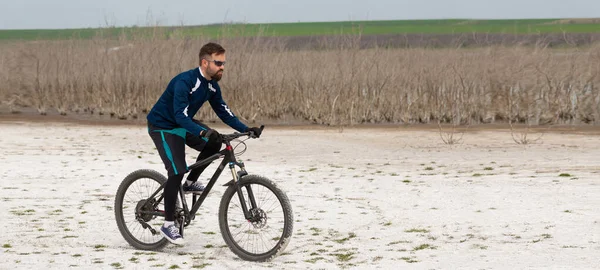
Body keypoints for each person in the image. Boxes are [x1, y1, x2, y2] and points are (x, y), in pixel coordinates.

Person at [146, 42, 262, 245]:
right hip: (163, 125)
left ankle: (191, 183)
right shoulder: (185, 81)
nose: (222, 67)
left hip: (182, 124)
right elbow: (180, 115)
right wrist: (201, 130)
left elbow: (224, 111)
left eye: (224, 63)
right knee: (176, 171)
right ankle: (167, 224)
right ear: (205, 62)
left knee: (215, 141)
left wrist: (245, 129)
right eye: (218, 63)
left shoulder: (211, 86)